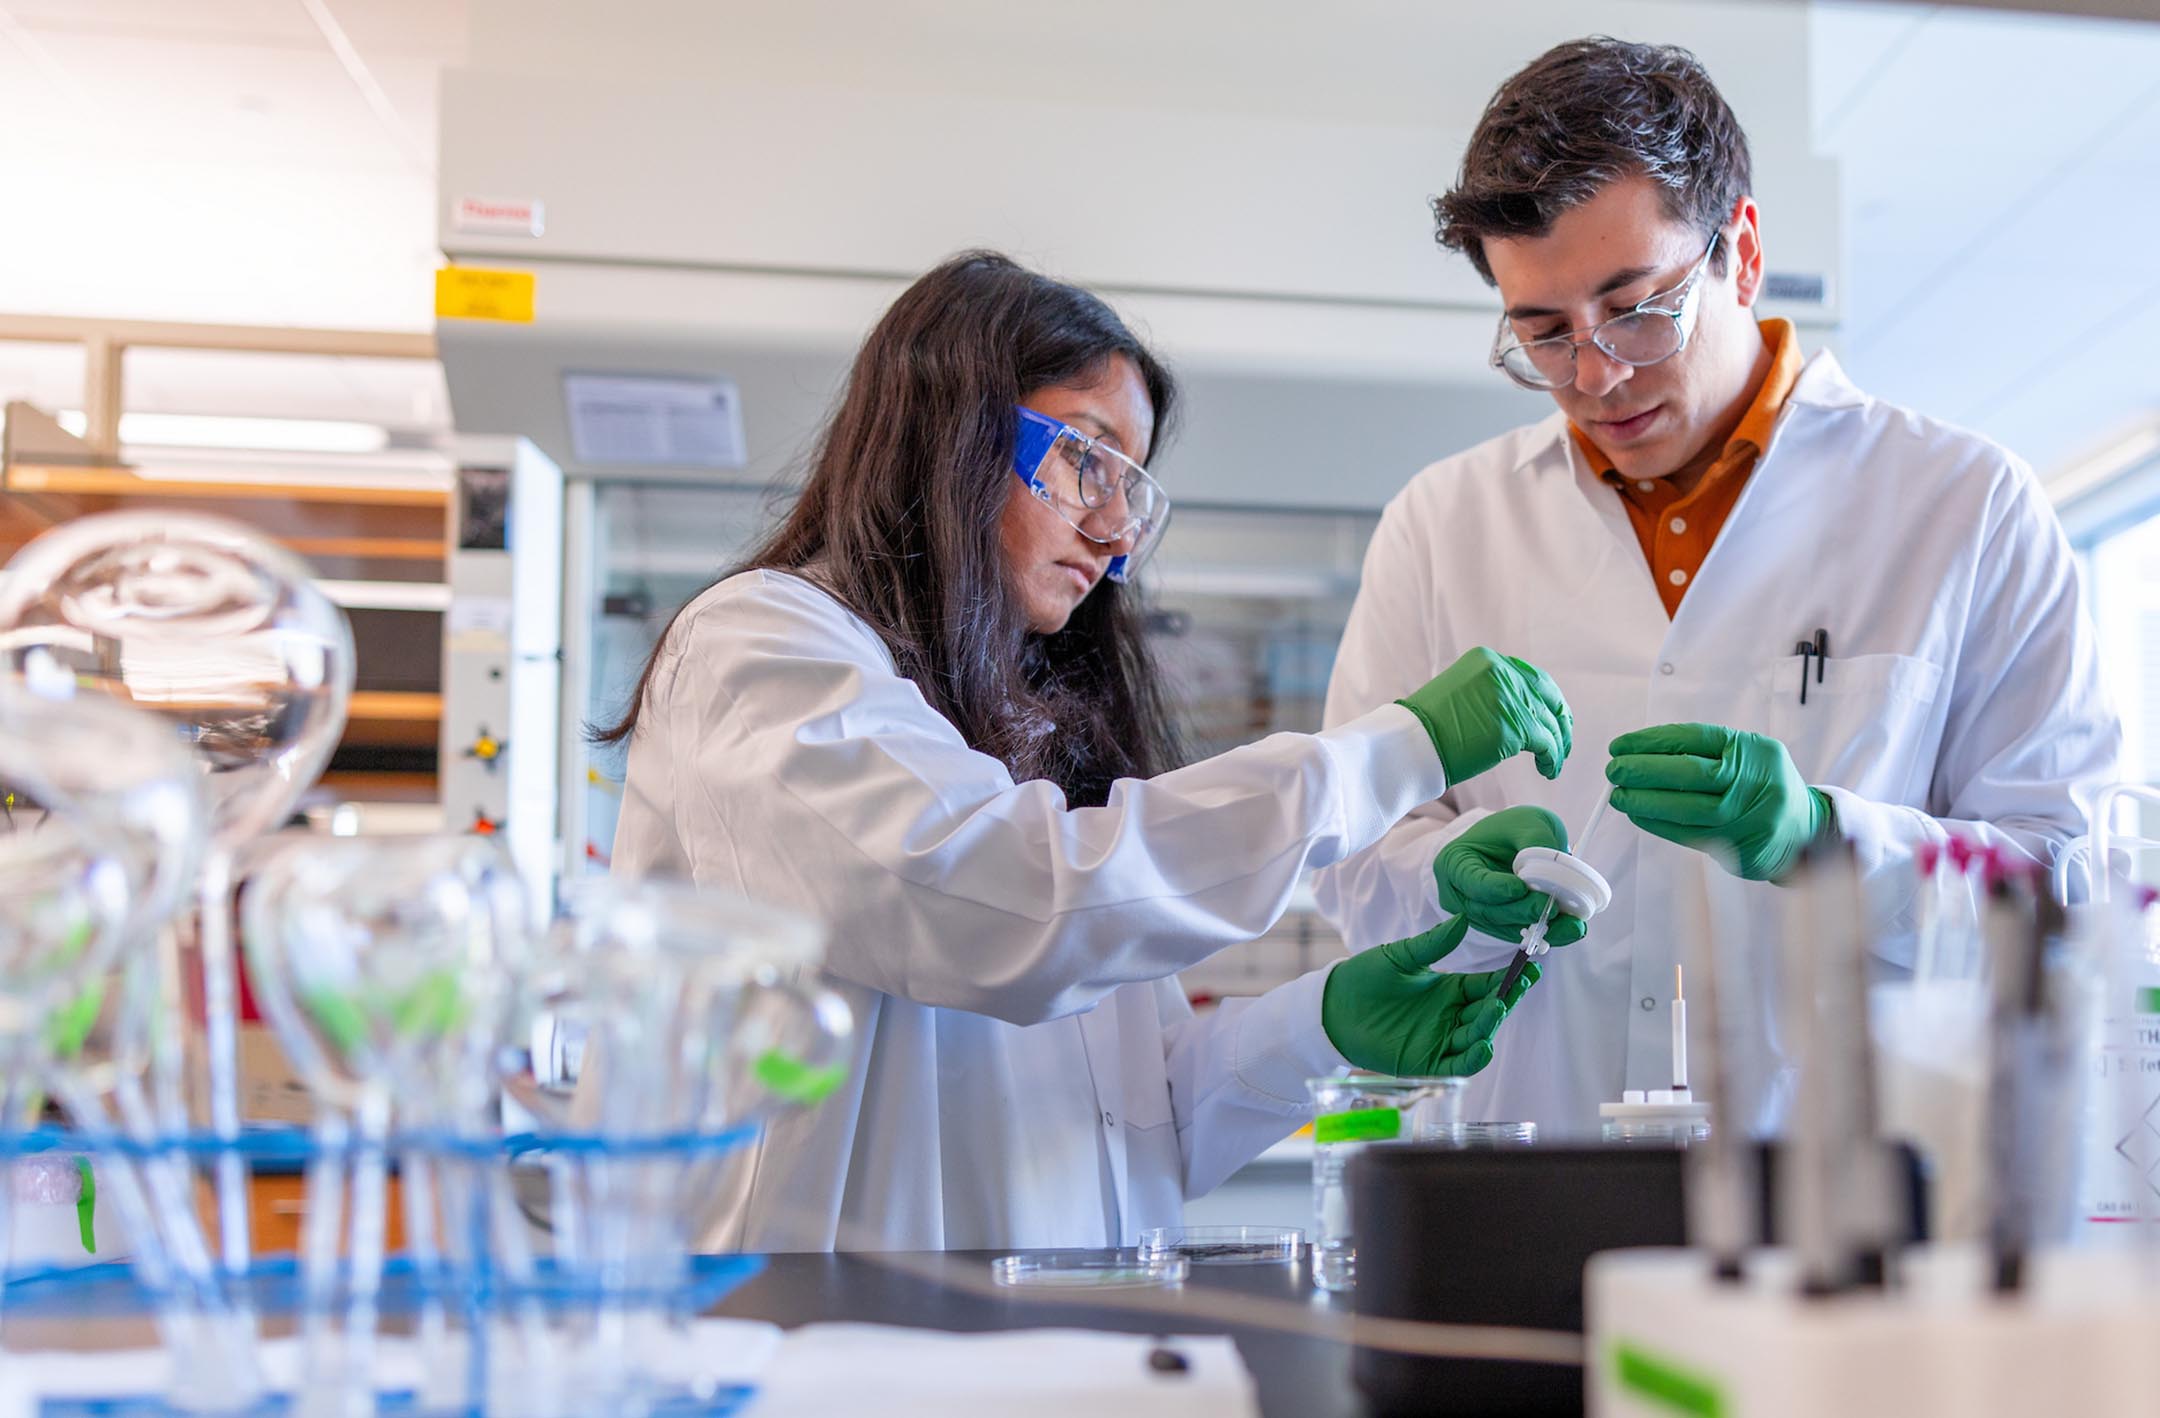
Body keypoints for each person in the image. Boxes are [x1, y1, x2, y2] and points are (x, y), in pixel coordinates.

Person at [597, 251, 1575, 1250]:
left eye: (1135, 489)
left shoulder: (1032, 726)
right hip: (825, 1351)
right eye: (1085, 458)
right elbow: (1004, 907)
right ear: (949, 429)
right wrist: (1387, 755)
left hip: (1064, 1344)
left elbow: (1132, 1127)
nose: (1116, 535)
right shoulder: (757, 650)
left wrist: (1321, 1023)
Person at [1312, 39, 2121, 1135]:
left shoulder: (1965, 506)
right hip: (1528, 1172)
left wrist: (1822, 839)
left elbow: (2069, 892)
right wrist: (1446, 880)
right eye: (1544, 334)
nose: (1597, 376)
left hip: (1850, 1199)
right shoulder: (1443, 524)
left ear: (1740, 252)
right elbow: (1354, 861)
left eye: (1637, 307)